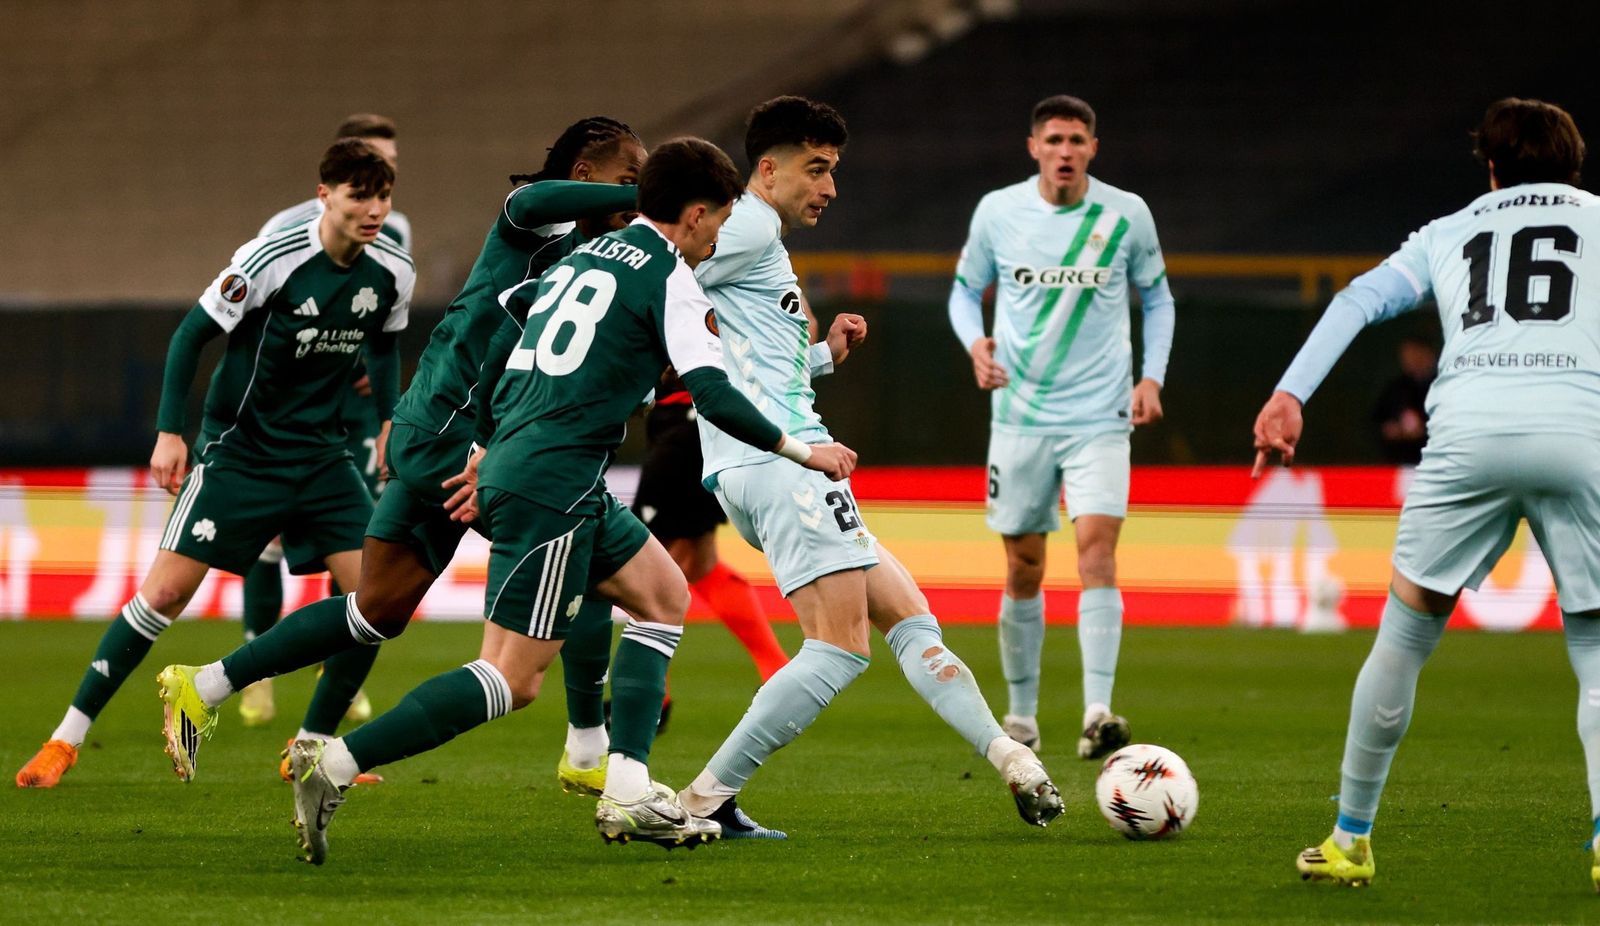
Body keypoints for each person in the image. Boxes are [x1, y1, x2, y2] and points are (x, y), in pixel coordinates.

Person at [286, 136, 855, 863]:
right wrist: (807, 451)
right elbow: (711, 393)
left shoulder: (582, 258)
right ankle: (333, 765)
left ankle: (629, 788)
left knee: (663, 594)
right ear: (697, 213)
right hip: (553, 484)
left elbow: (507, 329)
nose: (719, 234)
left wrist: (491, 437)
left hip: (542, 469)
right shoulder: (672, 279)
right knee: (511, 678)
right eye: (718, 219)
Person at [154, 118, 648, 794]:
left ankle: (206, 685)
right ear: (585, 179)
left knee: (373, 608)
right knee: (581, 540)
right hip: (460, 438)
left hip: (437, 428)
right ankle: (589, 755)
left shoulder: (609, 255)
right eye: (628, 178)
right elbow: (530, 204)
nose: (637, 193)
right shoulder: (540, 224)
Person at [674, 96, 1063, 836]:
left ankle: (1010, 755)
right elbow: (664, 268)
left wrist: (822, 357)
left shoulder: (762, 242)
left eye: (833, 171)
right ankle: (700, 801)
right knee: (838, 651)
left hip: (773, 462)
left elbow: (753, 359)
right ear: (768, 169)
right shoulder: (748, 224)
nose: (829, 187)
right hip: (785, 464)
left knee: (912, 622)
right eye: (816, 170)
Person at [1251, 97, 1600, 888]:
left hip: (1467, 433)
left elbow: (1356, 302)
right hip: (1581, 431)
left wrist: (1289, 394)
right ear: (1574, 164)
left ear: (1490, 166)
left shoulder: (1450, 230)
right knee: (1596, 652)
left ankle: (1350, 840)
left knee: (1405, 637)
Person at [15, 139, 413, 788]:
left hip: (322, 458)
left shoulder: (393, 271)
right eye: (359, 195)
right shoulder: (270, 260)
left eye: (384, 196)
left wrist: (392, 420)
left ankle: (311, 743)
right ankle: (66, 740)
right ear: (324, 195)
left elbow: (386, 352)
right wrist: (170, 432)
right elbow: (191, 334)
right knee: (165, 595)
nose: (374, 210)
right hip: (242, 453)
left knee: (379, 602)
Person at [947, 94, 1175, 758]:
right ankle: (1021, 716)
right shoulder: (999, 211)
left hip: (1100, 415)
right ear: (1034, 147)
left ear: (1093, 149)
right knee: (1023, 567)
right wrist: (975, 345)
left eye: (1077, 139)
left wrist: (1151, 376)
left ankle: (1097, 710)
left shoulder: (1125, 213)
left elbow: (1158, 296)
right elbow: (964, 290)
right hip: (1020, 416)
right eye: (1054, 140)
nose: (1066, 151)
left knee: (1098, 552)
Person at [239, 113, 414, 736]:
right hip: (288, 415)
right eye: (370, 161)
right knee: (271, 542)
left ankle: (324, 671)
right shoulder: (284, 230)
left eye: (389, 168)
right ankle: (255, 668)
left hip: (355, 412)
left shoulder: (396, 233)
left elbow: (382, 317)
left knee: (351, 539)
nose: (382, 180)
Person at [631, 368, 790, 684]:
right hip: (683, 419)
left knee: (648, 569)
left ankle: (649, 693)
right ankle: (777, 668)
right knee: (701, 565)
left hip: (692, 421)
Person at [1371, 334, 1437, 464]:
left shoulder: (1443, 386)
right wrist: (1395, 430)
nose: (1411, 360)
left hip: (1438, 464)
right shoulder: (1396, 389)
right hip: (1400, 464)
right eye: (1407, 355)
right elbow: (1378, 424)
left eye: (1415, 354)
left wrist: (1423, 429)